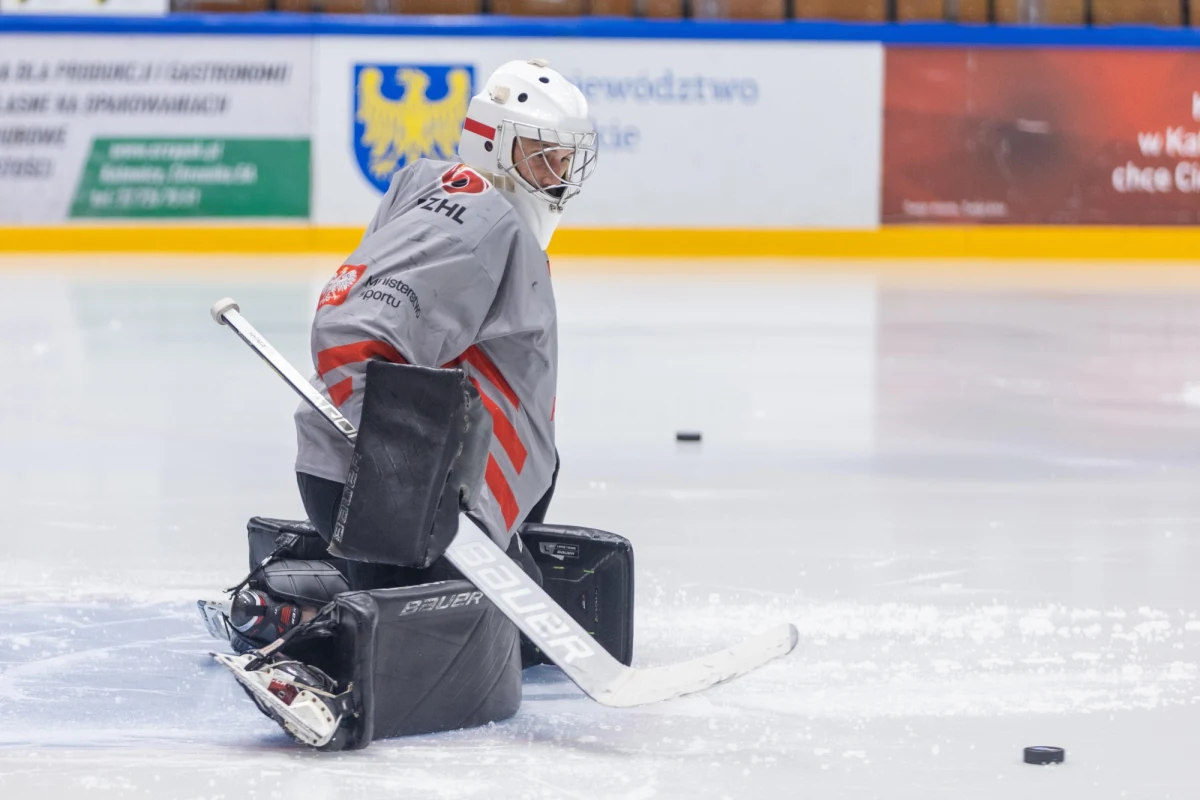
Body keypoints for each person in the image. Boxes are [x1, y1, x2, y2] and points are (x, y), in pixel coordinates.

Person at [245, 58, 598, 636]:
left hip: (417, 493)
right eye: (542, 155)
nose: (557, 176)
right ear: (492, 142)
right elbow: (350, 329)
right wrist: (402, 471)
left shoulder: (446, 192)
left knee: (521, 637)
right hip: (398, 502)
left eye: (565, 159)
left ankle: (324, 591)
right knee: (499, 642)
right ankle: (312, 614)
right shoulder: (480, 219)